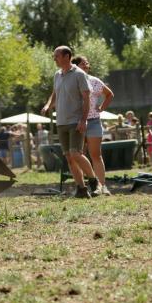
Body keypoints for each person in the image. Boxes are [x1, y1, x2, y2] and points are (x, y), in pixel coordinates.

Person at [41, 45, 94, 198]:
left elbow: (86, 98)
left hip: (75, 120)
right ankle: (82, 189)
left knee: (75, 153)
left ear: (66, 56)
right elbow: (54, 94)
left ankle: (93, 180)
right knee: (69, 158)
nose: (54, 59)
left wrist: (83, 120)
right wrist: (47, 105)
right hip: (61, 122)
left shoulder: (79, 74)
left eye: (56, 56)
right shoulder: (57, 74)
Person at [74, 55, 114, 195]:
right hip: (76, 122)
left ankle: (102, 186)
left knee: (96, 154)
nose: (85, 65)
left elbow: (109, 94)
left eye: (86, 63)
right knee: (78, 154)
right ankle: (83, 187)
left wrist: (102, 107)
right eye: (82, 63)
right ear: (75, 66)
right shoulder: (72, 81)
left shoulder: (95, 81)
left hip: (94, 121)